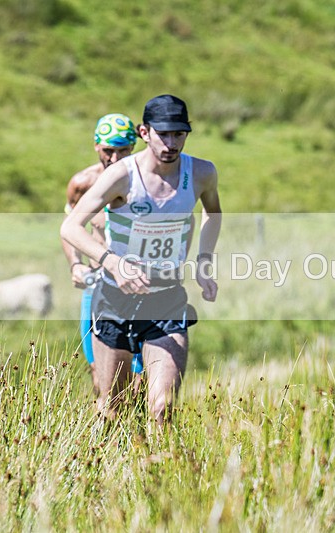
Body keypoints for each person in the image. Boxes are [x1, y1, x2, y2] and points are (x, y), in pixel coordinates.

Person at [61, 94, 222, 423]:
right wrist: (112, 263)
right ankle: (106, 469)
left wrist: (204, 260)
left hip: (166, 299)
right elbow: (71, 226)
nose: (171, 143)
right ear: (145, 132)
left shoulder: (202, 172)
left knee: (161, 407)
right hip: (114, 299)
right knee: (112, 409)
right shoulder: (121, 175)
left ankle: (161, 472)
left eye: (179, 134)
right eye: (163, 134)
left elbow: (213, 213)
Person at [62, 113, 143, 383]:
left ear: (134, 147)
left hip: (139, 286)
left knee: (141, 377)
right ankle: (109, 425)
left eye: (123, 150)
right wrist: (75, 264)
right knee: (100, 373)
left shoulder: (145, 183)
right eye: (109, 151)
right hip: (98, 285)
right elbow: (70, 227)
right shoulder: (82, 184)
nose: (116, 159)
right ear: (97, 146)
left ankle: (143, 426)